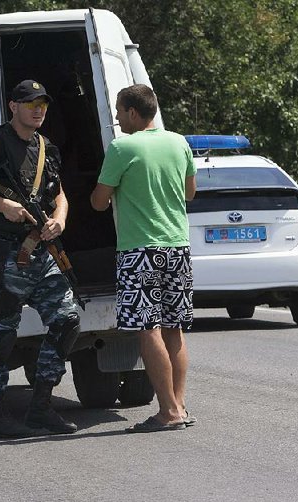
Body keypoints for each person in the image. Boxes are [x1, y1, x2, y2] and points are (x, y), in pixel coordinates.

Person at [0, 79, 81, 438]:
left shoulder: (46, 148)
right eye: (30, 103)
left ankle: (40, 407)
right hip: (6, 253)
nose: (38, 110)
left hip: (42, 252)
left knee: (67, 320)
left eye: (43, 104)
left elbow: (61, 196)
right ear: (13, 106)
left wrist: (60, 219)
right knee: (2, 334)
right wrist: (1, 204)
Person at [90, 84, 197, 433]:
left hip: (139, 251)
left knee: (147, 329)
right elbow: (189, 192)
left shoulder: (123, 148)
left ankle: (167, 411)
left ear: (134, 112)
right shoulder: (179, 142)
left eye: (120, 111)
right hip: (177, 246)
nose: (118, 118)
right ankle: (178, 404)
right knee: (174, 328)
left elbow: (98, 201)